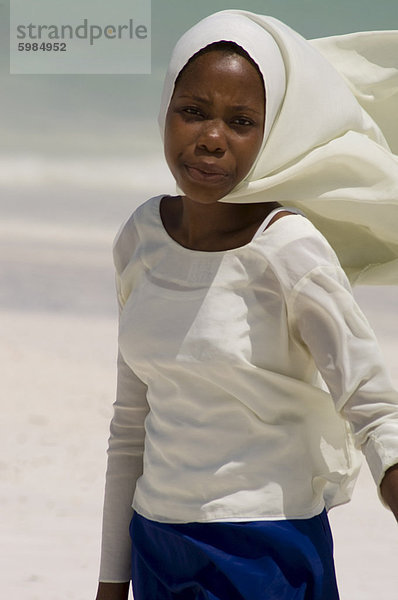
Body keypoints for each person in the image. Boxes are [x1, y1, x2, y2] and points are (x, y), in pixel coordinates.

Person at [95, 10, 398, 600]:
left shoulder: (287, 248)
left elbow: (375, 410)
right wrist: (112, 582)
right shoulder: (140, 238)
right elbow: (131, 426)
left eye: (241, 121)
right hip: (157, 547)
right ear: (166, 110)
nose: (212, 137)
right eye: (193, 111)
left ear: (272, 134)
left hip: (266, 554)